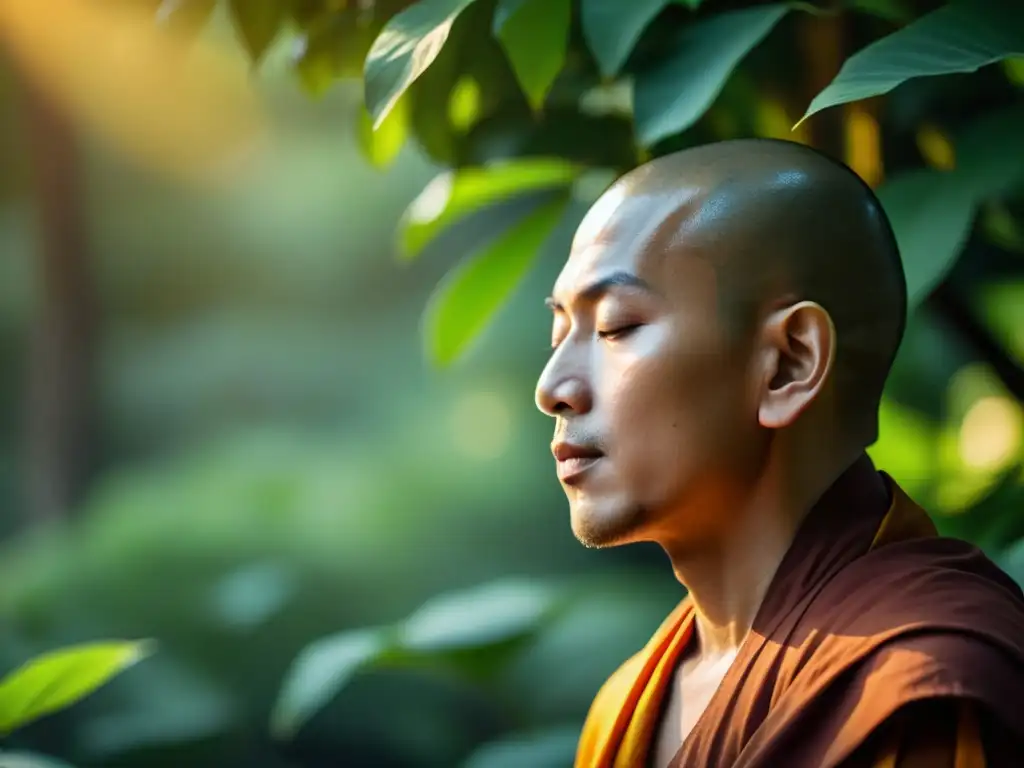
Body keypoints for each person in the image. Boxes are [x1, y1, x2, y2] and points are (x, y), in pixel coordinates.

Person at [534, 138, 1024, 768]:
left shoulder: (917, 683)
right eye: (558, 333)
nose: (553, 388)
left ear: (790, 364)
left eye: (615, 326)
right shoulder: (626, 707)